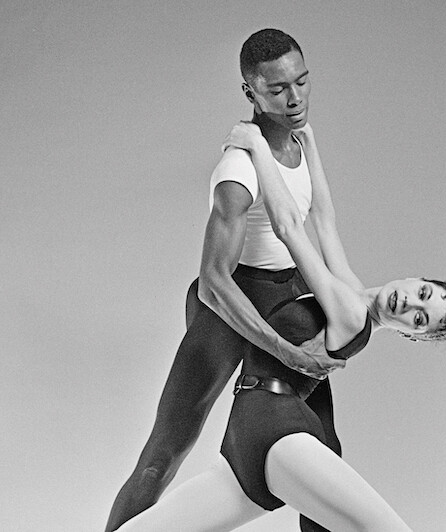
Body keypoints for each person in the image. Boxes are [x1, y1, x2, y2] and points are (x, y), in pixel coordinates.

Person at [114, 121, 446, 531]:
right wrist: (309, 139)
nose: (410, 304)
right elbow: (324, 217)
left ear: (411, 334)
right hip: (252, 439)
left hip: (273, 432)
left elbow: (289, 227)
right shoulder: (350, 290)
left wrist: (258, 147)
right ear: (414, 278)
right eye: (422, 293)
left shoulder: (352, 317)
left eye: (419, 320)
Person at [105, 29, 358, 532]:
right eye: (277, 90)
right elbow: (213, 282)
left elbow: (319, 230)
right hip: (230, 306)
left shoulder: (302, 142)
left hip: (288, 297)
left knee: (323, 450)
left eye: (302, 83)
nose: (294, 99)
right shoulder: (237, 169)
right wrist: (286, 354)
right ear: (251, 94)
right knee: (165, 453)